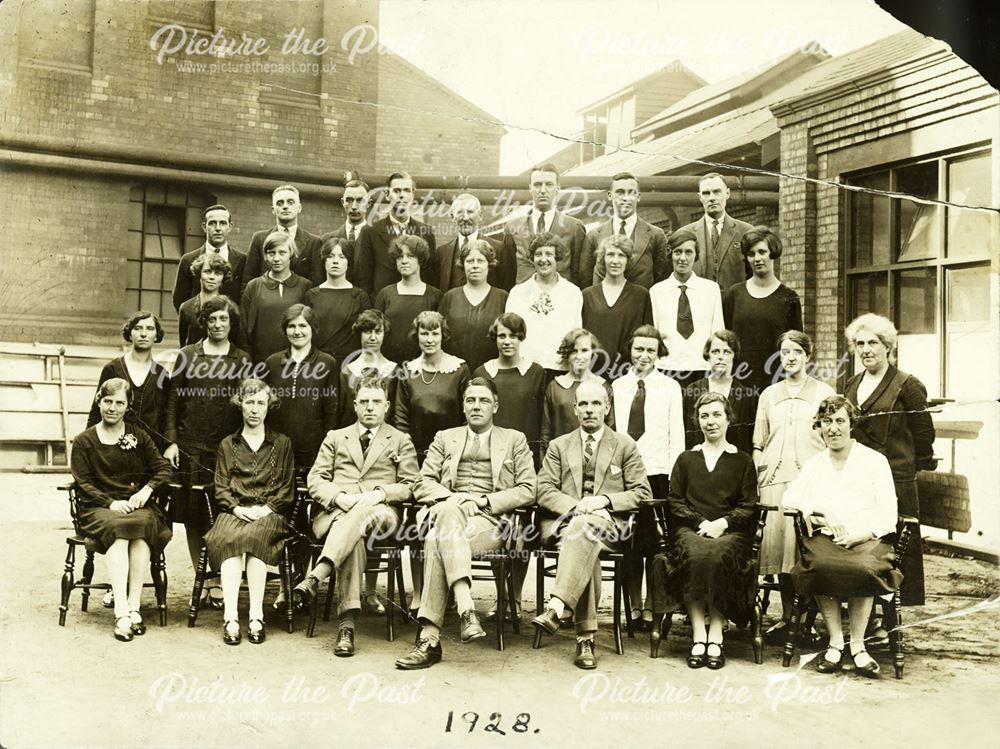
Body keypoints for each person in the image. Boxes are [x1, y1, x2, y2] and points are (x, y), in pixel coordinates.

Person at [395, 378, 536, 669]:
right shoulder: (445, 437)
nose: (476, 406)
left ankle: (430, 640)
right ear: (463, 405)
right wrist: (455, 498)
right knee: (446, 516)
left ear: (495, 405)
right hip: (449, 511)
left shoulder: (514, 439)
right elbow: (422, 483)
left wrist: (483, 501)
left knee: (436, 539)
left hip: (490, 521)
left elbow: (527, 489)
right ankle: (466, 608)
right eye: (470, 400)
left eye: (484, 400)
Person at [294, 376, 420, 656]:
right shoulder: (336, 437)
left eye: (376, 401)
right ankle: (346, 626)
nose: (370, 407)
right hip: (337, 511)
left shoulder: (400, 440)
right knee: (355, 541)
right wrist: (339, 498)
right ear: (355, 404)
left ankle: (319, 575)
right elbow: (316, 479)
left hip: (381, 513)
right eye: (364, 401)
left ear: (387, 405)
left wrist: (375, 495)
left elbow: (411, 485)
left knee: (360, 518)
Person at [532, 382, 651, 670]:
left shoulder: (624, 445)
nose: (589, 410)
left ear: (607, 407)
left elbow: (642, 492)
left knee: (584, 531)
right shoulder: (559, 446)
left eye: (596, 404)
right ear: (574, 409)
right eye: (583, 404)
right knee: (584, 539)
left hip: (610, 526)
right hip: (566, 525)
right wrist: (575, 507)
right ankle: (585, 638)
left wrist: (604, 500)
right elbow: (543, 489)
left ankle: (558, 606)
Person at [784, 395, 903, 677]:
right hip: (828, 540)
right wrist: (821, 508)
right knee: (822, 565)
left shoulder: (874, 461)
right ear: (819, 427)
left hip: (868, 538)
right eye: (827, 422)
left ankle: (859, 646)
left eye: (840, 421)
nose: (833, 428)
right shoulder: (815, 464)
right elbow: (790, 498)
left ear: (852, 424)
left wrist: (863, 534)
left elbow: (888, 511)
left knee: (863, 567)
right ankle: (836, 643)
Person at [650, 392, 757, 669]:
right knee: (697, 555)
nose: (710, 421)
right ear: (698, 421)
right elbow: (675, 500)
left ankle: (717, 633)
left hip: (730, 532)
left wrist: (722, 523)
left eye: (716, 414)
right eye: (704, 416)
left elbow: (747, 505)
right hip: (690, 530)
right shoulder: (686, 459)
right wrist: (701, 523)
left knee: (718, 555)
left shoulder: (742, 460)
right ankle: (699, 633)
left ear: (728, 418)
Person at [164, 296, 252, 607]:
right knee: (193, 515)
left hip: (227, 450)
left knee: (223, 513)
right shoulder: (188, 355)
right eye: (212, 320)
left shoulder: (242, 359)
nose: (218, 325)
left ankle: (218, 579)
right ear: (204, 323)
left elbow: (246, 406)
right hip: (191, 447)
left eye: (223, 320)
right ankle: (202, 580)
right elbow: (173, 401)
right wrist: (172, 441)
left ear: (232, 323)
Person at [843, 313, 936, 608]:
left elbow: (924, 435)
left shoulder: (907, 384)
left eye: (873, 342)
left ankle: (889, 623)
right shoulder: (851, 384)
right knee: (865, 547)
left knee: (895, 549)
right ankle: (866, 618)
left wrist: (906, 468)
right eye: (860, 343)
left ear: (888, 346)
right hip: (859, 481)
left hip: (897, 480)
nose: (866, 349)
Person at [71, 378, 173, 641]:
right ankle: (121, 611)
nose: (112, 408)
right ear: (98, 401)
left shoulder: (137, 435)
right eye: (107, 401)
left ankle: (134, 606)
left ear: (128, 406)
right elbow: (82, 482)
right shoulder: (84, 440)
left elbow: (163, 468)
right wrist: (111, 503)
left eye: (119, 403)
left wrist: (146, 490)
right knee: (120, 528)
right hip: (99, 508)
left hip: (135, 504)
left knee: (141, 528)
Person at [753, 330, 834, 638]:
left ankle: (807, 620)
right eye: (784, 352)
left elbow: (830, 440)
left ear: (807, 356)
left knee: (806, 553)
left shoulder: (824, 392)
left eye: (796, 352)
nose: (789, 358)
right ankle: (788, 617)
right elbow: (759, 442)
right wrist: (761, 473)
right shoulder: (768, 395)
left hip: (809, 483)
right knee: (780, 554)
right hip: (774, 483)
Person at [205, 379, 295, 646]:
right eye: (249, 402)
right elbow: (220, 486)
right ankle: (231, 617)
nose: (255, 409)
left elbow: (287, 487)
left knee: (256, 541)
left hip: (269, 513)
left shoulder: (282, 443)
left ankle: (256, 616)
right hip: (234, 512)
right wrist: (236, 508)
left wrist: (266, 509)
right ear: (240, 404)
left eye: (260, 403)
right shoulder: (227, 444)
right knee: (228, 541)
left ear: (269, 407)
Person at [473, 312, 547, 621]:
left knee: (524, 528)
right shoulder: (483, 371)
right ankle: (500, 597)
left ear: (521, 338)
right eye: (502, 335)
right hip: (492, 459)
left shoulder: (537, 372)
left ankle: (514, 597)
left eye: (513, 336)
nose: (507, 341)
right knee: (497, 523)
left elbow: (543, 420)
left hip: (526, 458)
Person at [611, 325, 685, 630]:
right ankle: (635, 608)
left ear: (659, 354)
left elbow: (675, 435)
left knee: (656, 545)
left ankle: (655, 608)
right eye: (639, 349)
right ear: (630, 349)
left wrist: (672, 478)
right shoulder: (616, 386)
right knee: (629, 546)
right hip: (624, 477)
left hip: (657, 474)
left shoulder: (670, 388)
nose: (644, 356)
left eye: (651, 350)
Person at [722, 226, 803, 399]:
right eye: (751, 254)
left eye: (762, 252)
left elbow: (796, 348)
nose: (757, 258)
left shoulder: (789, 298)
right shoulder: (733, 295)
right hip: (739, 386)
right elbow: (725, 343)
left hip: (776, 385)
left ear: (772, 253)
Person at [262, 304, 340, 470]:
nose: (297, 332)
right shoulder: (273, 362)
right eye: (291, 326)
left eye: (303, 325)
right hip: (276, 445)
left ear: (313, 328)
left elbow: (331, 409)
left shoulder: (327, 363)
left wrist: (326, 445)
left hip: (313, 447)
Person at [649, 228, 724, 388]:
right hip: (667, 368)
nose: (682, 258)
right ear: (671, 255)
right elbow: (654, 335)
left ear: (696, 255)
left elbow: (718, 332)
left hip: (702, 368)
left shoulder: (711, 289)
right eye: (678, 252)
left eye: (688, 252)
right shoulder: (657, 291)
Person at [87, 311, 169, 452]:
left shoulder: (162, 374)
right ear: (130, 334)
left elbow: (166, 417)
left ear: (156, 336)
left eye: (149, 329)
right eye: (137, 328)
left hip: (150, 449)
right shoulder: (112, 369)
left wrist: (169, 445)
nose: (143, 334)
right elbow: (96, 411)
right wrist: (89, 446)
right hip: (114, 447)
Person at [393, 311, 471, 460]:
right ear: (417, 336)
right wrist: (407, 451)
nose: (430, 340)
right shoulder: (409, 370)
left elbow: (467, 414)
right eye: (424, 334)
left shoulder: (459, 369)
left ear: (443, 336)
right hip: (416, 454)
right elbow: (401, 416)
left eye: (435, 334)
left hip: (453, 453)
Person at [505, 233, 583, 374]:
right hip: (525, 368)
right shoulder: (518, 293)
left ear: (557, 258)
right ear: (532, 258)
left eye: (549, 254)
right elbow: (510, 333)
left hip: (559, 368)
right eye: (538, 254)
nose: (543, 259)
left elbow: (576, 333)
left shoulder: (572, 293)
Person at [355, 171, 438, 296]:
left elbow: (429, 277)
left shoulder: (426, 232)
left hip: (416, 304)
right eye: (397, 191)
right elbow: (363, 278)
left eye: (406, 190)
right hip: (382, 307)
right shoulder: (370, 232)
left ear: (413, 194)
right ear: (387, 194)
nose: (402, 195)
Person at [503, 163, 587, 286]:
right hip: (525, 299)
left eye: (549, 184)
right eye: (537, 185)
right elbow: (508, 273)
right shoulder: (512, 227)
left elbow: (579, 273)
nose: (543, 190)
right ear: (530, 188)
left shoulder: (574, 227)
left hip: (560, 299)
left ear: (558, 188)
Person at [581, 172, 669, 288]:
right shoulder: (593, 236)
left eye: (631, 192)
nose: (626, 198)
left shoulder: (656, 235)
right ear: (609, 195)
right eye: (620, 192)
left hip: (641, 304)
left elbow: (661, 279)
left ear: (638, 197)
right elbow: (585, 280)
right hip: (603, 304)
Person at [581, 235, 653, 376]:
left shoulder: (641, 295)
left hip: (629, 374)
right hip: (592, 374)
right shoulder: (587, 296)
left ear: (628, 260)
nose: (615, 261)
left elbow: (647, 339)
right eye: (610, 255)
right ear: (602, 259)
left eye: (621, 255)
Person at [241, 230, 313, 364]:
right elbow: (244, 330)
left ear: (291, 254)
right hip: (260, 362)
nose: (276, 258)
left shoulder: (305, 286)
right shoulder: (254, 286)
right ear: (265, 256)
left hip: (296, 361)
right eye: (271, 253)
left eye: (282, 252)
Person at [438, 239, 509, 373]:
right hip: (454, 372)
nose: (475, 266)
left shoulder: (502, 297)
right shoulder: (450, 297)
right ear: (462, 265)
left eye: (480, 261)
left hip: (491, 373)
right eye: (470, 261)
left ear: (489, 264)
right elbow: (440, 337)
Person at [676, 173, 754, 292]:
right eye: (706, 193)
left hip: (734, 306)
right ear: (700, 197)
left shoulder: (746, 231)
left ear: (727, 193)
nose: (711, 198)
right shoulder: (685, 234)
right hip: (699, 305)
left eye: (717, 191)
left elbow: (754, 276)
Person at [373, 234, 443, 366]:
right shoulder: (385, 294)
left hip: (424, 366)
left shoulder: (435, 296)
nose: (404, 261)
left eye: (410, 256)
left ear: (420, 260)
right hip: (390, 366)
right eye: (400, 257)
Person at [542, 328, 613, 453]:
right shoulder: (555, 387)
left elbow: (610, 430)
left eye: (585, 350)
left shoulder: (603, 386)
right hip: (562, 459)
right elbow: (546, 433)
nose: (579, 356)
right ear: (567, 354)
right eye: (574, 351)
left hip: (595, 460)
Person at [683, 331, 755, 454]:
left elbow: (748, 438)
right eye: (715, 352)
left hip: (733, 462)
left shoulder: (745, 395)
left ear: (734, 355)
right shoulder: (693, 390)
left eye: (726, 352)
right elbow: (686, 431)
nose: (720, 357)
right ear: (708, 355)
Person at [242, 184, 325, 290]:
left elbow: (316, 285)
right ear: (273, 210)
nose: (285, 206)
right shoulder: (259, 239)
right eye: (280, 203)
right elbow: (248, 280)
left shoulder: (314, 242)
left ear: (299, 207)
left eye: (290, 202)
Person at [303, 237, 372, 362]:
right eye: (330, 256)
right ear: (324, 260)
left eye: (341, 257)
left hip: (350, 363)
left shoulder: (360, 296)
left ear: (348, 262)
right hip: (317, 363)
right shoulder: (311, 295)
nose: (335, 261)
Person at [172, 204, 246, 312]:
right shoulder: (188, 260)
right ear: (204, 226)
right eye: (212, 223)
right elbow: (180, 299)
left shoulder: (243, 260)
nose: (218, 228)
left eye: (223, 223)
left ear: (230, 227)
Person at [437, 193, 514, 291]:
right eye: (460, 212)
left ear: (480, 215)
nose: (465, 218)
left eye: (470, 212)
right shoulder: (442, 252)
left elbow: (507, 287)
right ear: (452, 217)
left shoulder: (499, 249)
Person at [338, 309, 399, 427]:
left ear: (384, 334)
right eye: (367, 332)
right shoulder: (347, 372)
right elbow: (343, 414)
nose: (373, 337)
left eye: (378, 332)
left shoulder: (394, 370)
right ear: (359, 333)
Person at [177, 253, 242, 347]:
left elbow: (234, 343)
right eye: (207, 271)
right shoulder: (186, 308)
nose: (212, 277)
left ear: (223, 277)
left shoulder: (231, 308)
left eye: (217, 273)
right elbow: (183, 344)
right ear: (199, 273)